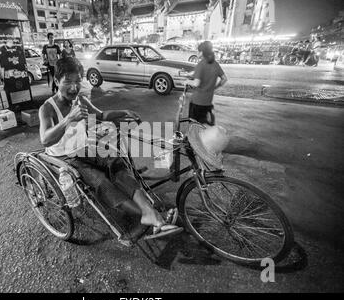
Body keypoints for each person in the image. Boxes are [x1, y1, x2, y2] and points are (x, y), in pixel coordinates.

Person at [39, 57, 180, 245]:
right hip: (64, 157)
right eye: (67, 82)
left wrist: (123, 111)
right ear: (57, 81)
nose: (74, 87)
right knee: (101, 181)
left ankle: (149, 212)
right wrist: (68, 120)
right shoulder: (47, 108)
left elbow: (99, 115)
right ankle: (147, 214)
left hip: (83, 148)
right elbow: (45, 139)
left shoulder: (79, 100)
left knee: (116, 162)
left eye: (77, 81)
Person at [185, 41, 227, 125]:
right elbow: (224, 79)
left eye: (198, 51)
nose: (197, 53)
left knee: (194, 127)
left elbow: (196, 83)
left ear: (202, 52)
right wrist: (215, 87)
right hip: (208, 102)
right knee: (205, 126)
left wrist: (187, 81)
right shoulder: (215, 64)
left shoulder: (201, 64)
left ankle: (193, 138)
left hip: (197, 102)